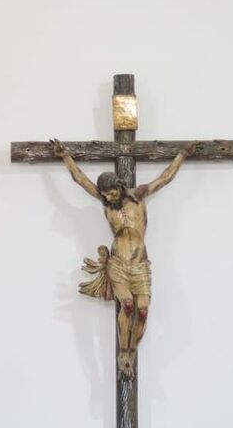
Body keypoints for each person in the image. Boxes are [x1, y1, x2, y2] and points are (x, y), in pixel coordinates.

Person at [51, 138, 195, 378]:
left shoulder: (139, 196)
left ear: (120, 186)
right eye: (105, 196)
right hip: (118, 264)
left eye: (112, 193)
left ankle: (131, 349)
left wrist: (181, 155)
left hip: (140, 264)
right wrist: (65, 156)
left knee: (143, 310)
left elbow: (165, 177)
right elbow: (80, 180)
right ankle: (123, 353)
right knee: (127, 305)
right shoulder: (106, 203)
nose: (109, 199)